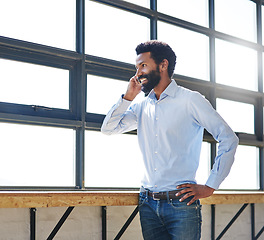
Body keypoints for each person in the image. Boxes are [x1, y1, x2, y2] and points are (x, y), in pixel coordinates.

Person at [101, 40, 239, 240]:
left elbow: (228, 139)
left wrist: (210, 186)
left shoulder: (190, 100)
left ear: (163, 65)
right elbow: (108, 129)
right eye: (136, 67)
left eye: (143, 65)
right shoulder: (141, 107)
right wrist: (128, 98)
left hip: (181, 205)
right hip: (147, 204)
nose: (138, 73)